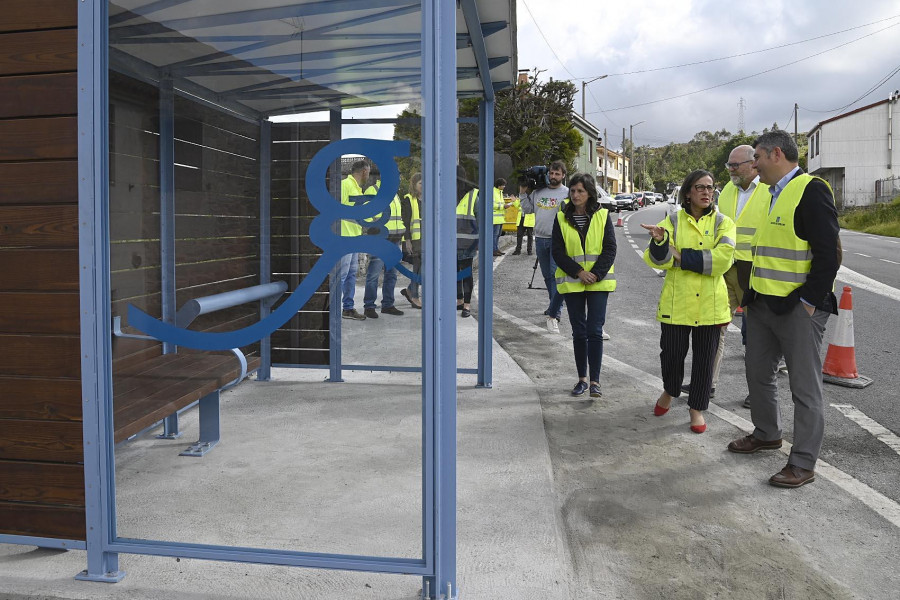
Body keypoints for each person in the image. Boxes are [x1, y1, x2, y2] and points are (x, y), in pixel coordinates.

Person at [727, 130, 840, 489]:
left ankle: (803, 462)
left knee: (804, 387)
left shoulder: (811, 189)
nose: (754, 165)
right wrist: (749, 296)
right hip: (762, 303)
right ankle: (767, 433)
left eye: (757, 157)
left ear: (776, 154)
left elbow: (829, 255)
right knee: (757, 373)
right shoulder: (771, 194)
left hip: (797, 308)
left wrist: (808, 302)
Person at [641, 170, 736, 434]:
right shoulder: (672, 220)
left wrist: (681, 257)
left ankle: (696, 408)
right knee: (671, 355)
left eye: (710, 187)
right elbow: (657, 260)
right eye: (700, 187)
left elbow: (722, 260)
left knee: (705, 361)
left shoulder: (723, 223)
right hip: (676, 301)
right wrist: (661, 242)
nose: (707, 192)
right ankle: (670, 391)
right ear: (688, 192)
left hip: (710, 304)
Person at [681, 145, 770, 403]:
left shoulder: (769, 188)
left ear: (753, 163)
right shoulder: (728, 190)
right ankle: (707, 384)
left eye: (735, 165)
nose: (730, 169)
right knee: (715, 325)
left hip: (755, 268)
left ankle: (759, 392)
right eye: (728, 165)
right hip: (727, 266)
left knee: (758, 334)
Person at [551, 173, 616, 398]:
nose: (575, 195)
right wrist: (579, 272)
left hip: (598, 283)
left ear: (589, 192)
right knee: (579, 332)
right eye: (572, 191)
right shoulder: (561, 217)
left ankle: (596, 382)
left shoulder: (603, 215)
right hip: (573, 281)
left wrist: (595, 274)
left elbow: (610, 248)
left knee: (594, 331)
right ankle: (582, 380)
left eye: (580, 191)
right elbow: (557, 252)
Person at [532, 160, 570, 333]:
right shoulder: (538, 192)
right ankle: (552, 305)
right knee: (547, 275)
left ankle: (556, 311)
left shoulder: (567, 193)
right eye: (551, 173)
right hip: (539, 238)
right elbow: (526, 210)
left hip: (557, 240)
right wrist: (524, 191)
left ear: (563, 175)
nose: (553, 176)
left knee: (556, 276)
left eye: (557, 174)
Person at [362, 172, 405, 319]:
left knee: (392, 274)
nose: (398, 179)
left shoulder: (395, 194)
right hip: (380, 239)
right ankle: (369, 306)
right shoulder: (373, 191)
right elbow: (365, 214)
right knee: (373, 274)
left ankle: (388, 305)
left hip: (396, 239)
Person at [338, 160, 369, 320]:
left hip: (354, 238)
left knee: (350, 275)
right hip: (344, 237)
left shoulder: (357, 188)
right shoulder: (345, 185)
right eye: (368, 172)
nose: (368, 175)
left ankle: (347, 308)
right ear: (364, 171)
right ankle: (332, 311)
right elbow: (336, 210)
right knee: (341, 275)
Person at [456, 174, 479, 318]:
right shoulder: (448, 193)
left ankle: (467, 305)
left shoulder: (473, 197)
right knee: (455, 274)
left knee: (466, 273)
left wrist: (478, 243)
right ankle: (459, 300)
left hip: (467, 243)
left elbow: (481, 221)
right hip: (451, 243)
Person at [400, 173, 423, 309]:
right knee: (417, 269)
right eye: (420, 183)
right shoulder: (408, 200)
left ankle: (410, 290)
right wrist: (407, 240)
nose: (423, 186)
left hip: (427, 240)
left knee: (422, 270)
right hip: (415, 241)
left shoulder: (428, 199)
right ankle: (414, 296)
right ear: (414, 185)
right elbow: (406, 222)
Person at [512, 177, 535, 255]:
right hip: (521, 217)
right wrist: (514, 201)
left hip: (529, 218)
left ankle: (529, 250)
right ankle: (518, 250)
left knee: (530, 235)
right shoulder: (521, 195)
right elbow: (518, 205)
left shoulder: (532, 196)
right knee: (519, 235)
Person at [491, 178, 511, 256]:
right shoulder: (493, 192)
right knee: (494, 235)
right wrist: (503, 206)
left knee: (498, 235)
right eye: (503, 185)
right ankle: (493, 250)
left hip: (500, 218)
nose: (504, 187)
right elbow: (492, 205)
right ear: (499, 185)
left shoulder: (500, 193)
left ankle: (496, 249)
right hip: (495, 219)